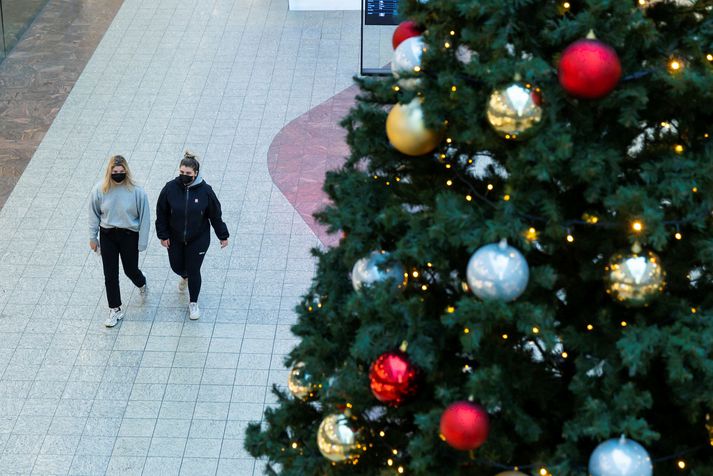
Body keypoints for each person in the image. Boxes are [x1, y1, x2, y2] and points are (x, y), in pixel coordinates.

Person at [155, 151, 229, 320]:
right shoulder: (170, 189)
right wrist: (163, 234)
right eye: (182, 173)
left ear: (195, 173)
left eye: (188, 173)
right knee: (177, 267)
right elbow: (161, 213)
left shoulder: (206, 191)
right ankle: (184, 276)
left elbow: (215, 215)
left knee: (194, 269)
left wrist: (222, 235)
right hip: (175, 237)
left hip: (199, 238)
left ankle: (193, 303)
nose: (184, 176)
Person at [89, 155, 150, 327]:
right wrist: (93, 237)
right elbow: (93, 214)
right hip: (107, 234)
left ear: (126, 171)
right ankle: (115, 309)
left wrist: (142, 242)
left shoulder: (137, 192)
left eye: (121, 171)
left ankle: (141, 281)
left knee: (130, 270)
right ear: (109, 171)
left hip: (129, 235)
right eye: (115, 171)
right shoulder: (100, 190)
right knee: (110, 274)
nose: (118, 174)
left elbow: (144, 217)